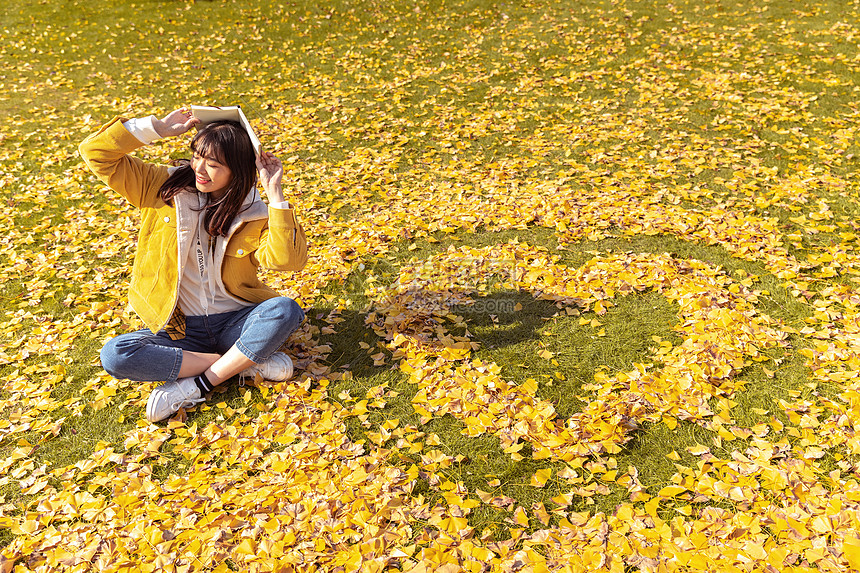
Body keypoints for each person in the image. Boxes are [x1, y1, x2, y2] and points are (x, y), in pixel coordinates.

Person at [79, 108, 307, 423]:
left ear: (237, 170)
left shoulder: (253, 210)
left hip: (234, 321)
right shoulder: (161, 186)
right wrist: (154, 128)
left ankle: (198, 383)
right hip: (181, 329)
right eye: (196, 156)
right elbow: (95, 152)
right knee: (115, 355)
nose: (200, 169)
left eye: (213, 164)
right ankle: (239, 363)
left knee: (285, 310)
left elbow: (287, 261)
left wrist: (276, 196)